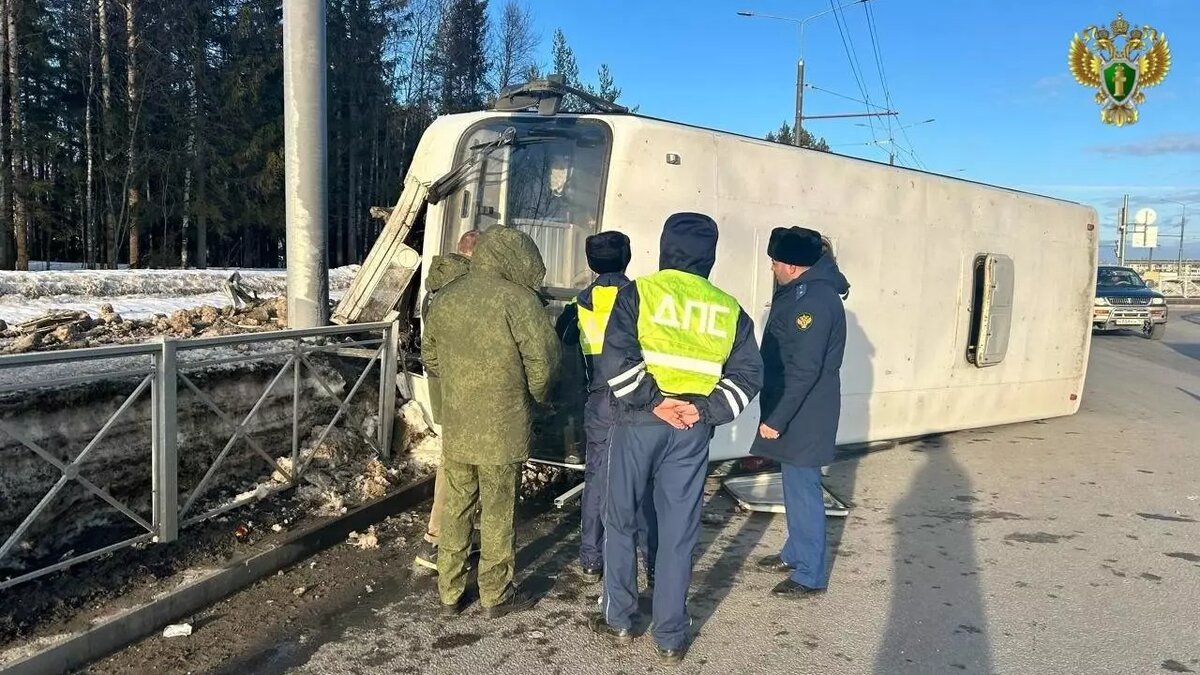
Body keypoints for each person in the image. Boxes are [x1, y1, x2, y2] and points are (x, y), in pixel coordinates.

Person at [590, 213, 763, 665]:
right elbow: (748, 376)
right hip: (690, 431)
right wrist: (704, 410)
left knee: (622, 518)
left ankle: (621, 617)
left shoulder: (640, 292)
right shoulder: (728, 308)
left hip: (638, 422)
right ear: (710, 256)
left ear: (666, 247)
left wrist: (653, 401)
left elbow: (616, 358)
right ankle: (669, 634)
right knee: (679, 531)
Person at [422, 225, 561, 618]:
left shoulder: (447, 297)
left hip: (459, 423)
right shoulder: (518, 301)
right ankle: (495, 593)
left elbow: (430, 358)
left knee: (458, 506)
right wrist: (536, 398)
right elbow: (544, 366)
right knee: (499, 508)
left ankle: (449, 592)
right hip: (504, 424)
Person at [749, 226, 849, 599]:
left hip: (804, 412)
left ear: (791, 265)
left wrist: (777, 419)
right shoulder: (803, 291)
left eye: (775, 262)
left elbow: (804, 368)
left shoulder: (813, 302)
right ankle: (796, 553)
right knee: (794, 485)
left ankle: (810, 574)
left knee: (805, 489)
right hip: (798, 407)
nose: (773, 268)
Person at [554, 231, 658, 585]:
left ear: (591, 264)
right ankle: (653, 562)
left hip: (599, 397)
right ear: (627, 258)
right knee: (643, 479)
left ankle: (591, 559)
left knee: (597, 477)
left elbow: (563, 338)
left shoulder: (579, 305)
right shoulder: (644, 298)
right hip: (638, 397)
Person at [414, 229, 481, 574]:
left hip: (446, 387)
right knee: (454, 467)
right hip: (465, 390)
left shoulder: (437, 287)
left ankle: (449, 539)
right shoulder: (464, 291)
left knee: (456, 461)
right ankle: (435, 542)